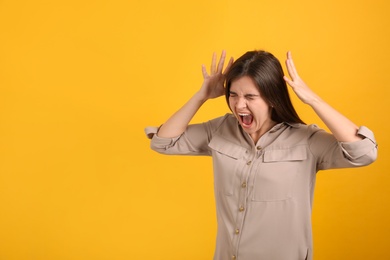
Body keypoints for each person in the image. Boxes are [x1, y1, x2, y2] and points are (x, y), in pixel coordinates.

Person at [145, 50, 378, 260]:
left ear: (272, 98)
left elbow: (364, 153)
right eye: (233, 94)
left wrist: (313, 99)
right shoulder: (219, 130)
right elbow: (163, 142)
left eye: (250, 97)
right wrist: (201, 96)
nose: (238, 104)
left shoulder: (306, 140)